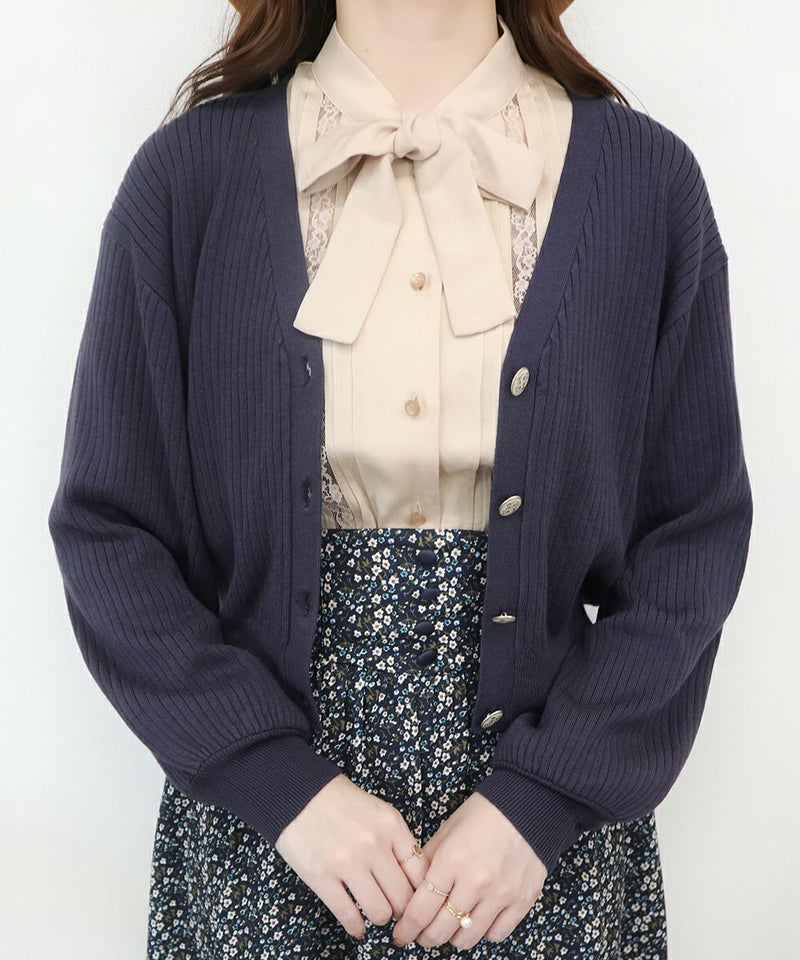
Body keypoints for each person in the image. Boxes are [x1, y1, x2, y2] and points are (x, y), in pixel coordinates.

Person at [48, 0, 753, 957]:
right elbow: (109, 528)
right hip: (269, 846)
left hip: (544, 856)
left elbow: (693, 533)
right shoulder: (187, 178)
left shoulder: (646, 183)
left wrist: (543, 800)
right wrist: (276, 784)